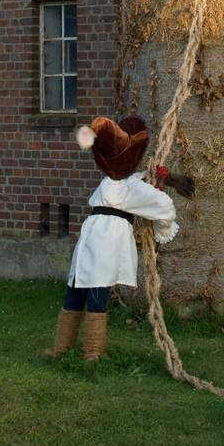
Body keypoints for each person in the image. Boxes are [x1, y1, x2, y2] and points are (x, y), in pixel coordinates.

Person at [47, 115, 181, 362]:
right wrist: (163, 229)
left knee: (80, 286)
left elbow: (138, 182)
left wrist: (162, 177)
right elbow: (165, 207)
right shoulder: (131, 187)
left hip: (92, 233)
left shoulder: (111, 182)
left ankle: (66, 350)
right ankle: (89, 355)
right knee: (93, 288)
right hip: (106, 238)